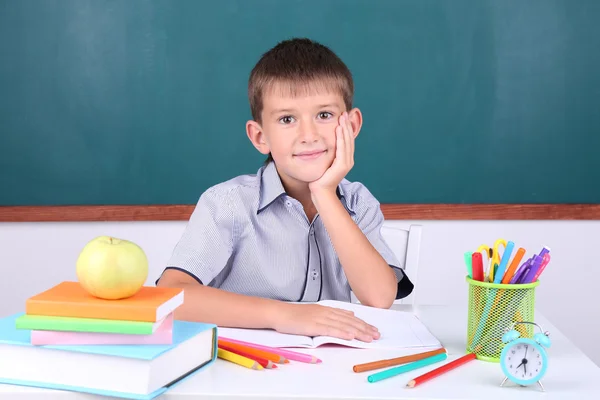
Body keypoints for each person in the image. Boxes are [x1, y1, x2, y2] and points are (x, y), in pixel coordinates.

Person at [156, 38, 413, 343]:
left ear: (352, 125)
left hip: (331, 369)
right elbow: (171, 294)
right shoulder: (227, 204)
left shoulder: (358, 202)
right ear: (260, 136)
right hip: (245, 369)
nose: (308, 135)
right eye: (287, 119)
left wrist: (325, 195)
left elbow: (379, 298)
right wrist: (283, 314)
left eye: (325, 115)